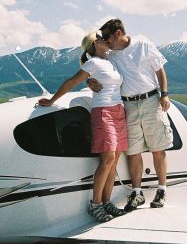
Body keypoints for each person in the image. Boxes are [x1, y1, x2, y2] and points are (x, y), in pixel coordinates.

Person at [38, 30, 127, 222]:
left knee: (114, 159)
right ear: (96, 43)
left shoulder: (111, 61)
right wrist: (52, 100)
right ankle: (95, 205)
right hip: (103, 112)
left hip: (119, 112)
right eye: (102, 36)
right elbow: (71, 81)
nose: (106, 37)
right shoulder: (92, 63)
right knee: (108, 158)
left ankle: (107, 202)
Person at [88, 18, 173, 212]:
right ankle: (137, 193)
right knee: (133, 151)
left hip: (151, 100)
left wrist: (165, 94)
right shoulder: (110, 55)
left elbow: (160, 71)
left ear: (118, 33)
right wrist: (90, 82)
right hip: (127, 105)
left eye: (107, 38)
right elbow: (93, 67)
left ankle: (162, 190)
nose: (106, 43)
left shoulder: (144, 46)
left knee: (158, 148)